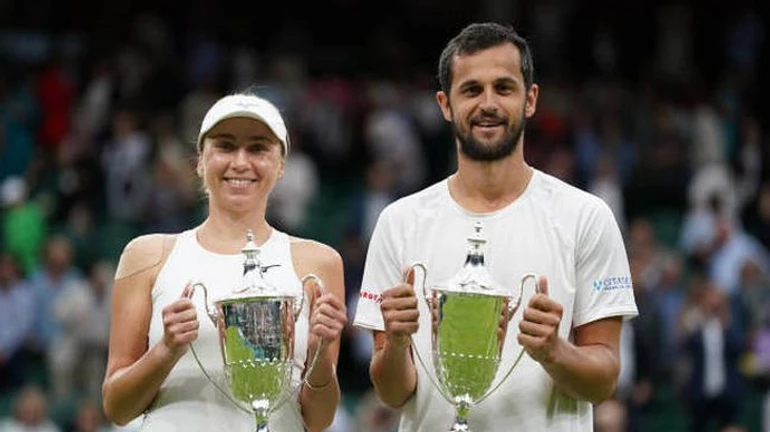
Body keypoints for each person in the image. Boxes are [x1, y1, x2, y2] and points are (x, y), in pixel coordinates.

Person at [353, 22, 638, 431]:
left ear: (530, 99)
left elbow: (604, 379)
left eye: (504, 88)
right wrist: (396, 345)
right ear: (445, 104)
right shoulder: (399, 222)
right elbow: (393, 393)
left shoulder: (585, 217)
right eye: (471, 90)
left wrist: (554, 351)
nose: (488, 103)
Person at [102, 93, 348, 432]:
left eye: (258, 148)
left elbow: (318, 420)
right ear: (201, 161)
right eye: (226, 146)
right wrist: (166, 350)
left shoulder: (319, 262)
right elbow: (117, 407)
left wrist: (321, 355)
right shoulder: (148, 255)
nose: (241, 162)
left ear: (280, 166)